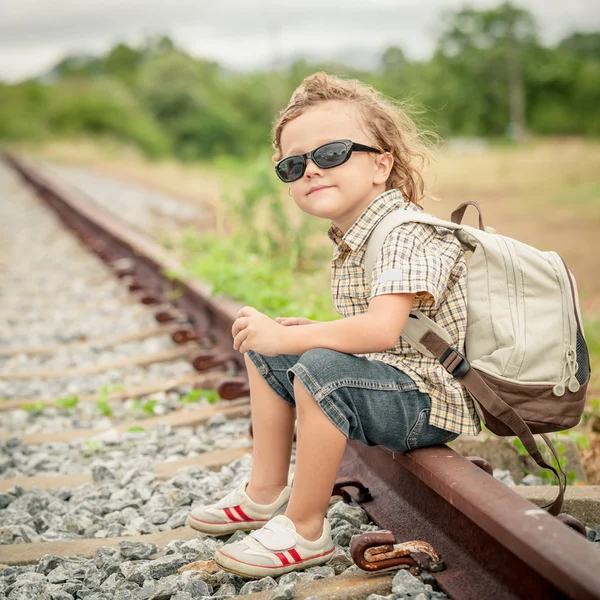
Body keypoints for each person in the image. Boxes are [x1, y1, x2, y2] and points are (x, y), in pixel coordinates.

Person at [186, 72, 480, 578]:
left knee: (318, 363)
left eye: (331, 153)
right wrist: (289, 338)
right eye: (294, 164)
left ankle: (305, 529)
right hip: (397, 385)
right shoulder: (358, 236)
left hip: (432, 403)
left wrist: (300, 338)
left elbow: (381, 332)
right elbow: (382, 334)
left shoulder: (404, 232)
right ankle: (264, 491)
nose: (311, 171)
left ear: (380, 164)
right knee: (270, 348)